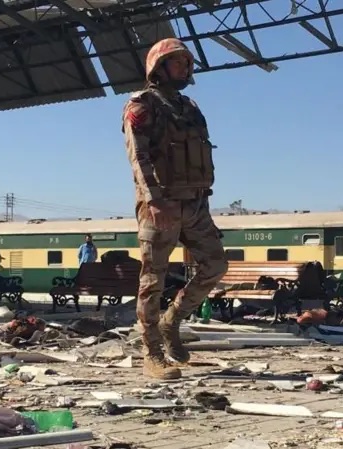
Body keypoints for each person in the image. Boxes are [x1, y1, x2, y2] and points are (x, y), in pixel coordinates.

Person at [121, 37, 228, 380]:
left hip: (195, 203)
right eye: (178, 61)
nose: (185, 67)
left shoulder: (190, 107)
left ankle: (172, 322)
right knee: (153, 279)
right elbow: (138, 157)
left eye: (187, 62)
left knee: (215, 266)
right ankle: (152, 353)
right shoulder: (141, 106)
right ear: (159, 67)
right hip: (161, 203)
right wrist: (153, 199)